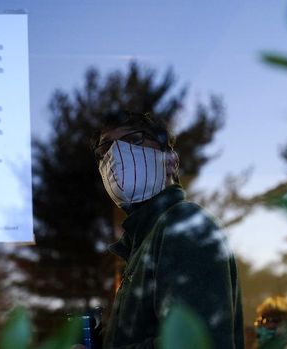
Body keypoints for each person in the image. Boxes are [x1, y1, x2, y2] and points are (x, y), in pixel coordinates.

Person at [92, 111, 244, 349]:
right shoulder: (143, 241)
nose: (116, 156)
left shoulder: (185, 224)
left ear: (171, 160)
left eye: (133, 141)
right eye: (106, 150)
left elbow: (195, 343)